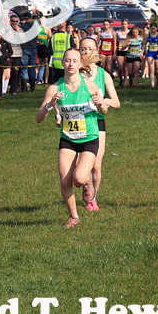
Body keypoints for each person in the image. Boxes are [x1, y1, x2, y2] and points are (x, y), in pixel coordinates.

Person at [36, 49, 108, 228]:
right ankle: (74, 216)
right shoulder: (55, 88)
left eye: (74, 61)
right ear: (62, 62)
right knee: (65, 180)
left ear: (80, 64)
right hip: (68, 139)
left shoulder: (90, 86)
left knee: (79, 178)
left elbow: (104, 111)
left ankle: (86, 181)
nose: (70, 64)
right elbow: (38, 118)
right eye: (67, 60)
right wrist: (50, 105)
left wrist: (101, 104)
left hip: (89, 138)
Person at [78, 38, 120, 212]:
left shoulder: (104, 75)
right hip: (78, 122)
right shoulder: (75, 73)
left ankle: (93, 198)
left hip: (97, 121)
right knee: (81, 165)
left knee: (96, 165)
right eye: (83, 49)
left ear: (97, 51)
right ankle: (86, 186)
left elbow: (116, 102)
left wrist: (104, 101)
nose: (86, 51)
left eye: (90, 48)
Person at [144, 23, 158, 88]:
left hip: (157, 54)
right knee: (151, 69)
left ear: (156, 28)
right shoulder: (148, 35)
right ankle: (152, 84)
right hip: (150, 53)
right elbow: (144, 44)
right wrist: (144, 52)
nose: (153, 30)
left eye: (154, 29)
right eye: (152, 29)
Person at [115, 19, 130, 87]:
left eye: (125, 24)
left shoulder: (130, 32)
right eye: (123, 24)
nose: (124, 25)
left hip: (127, 51)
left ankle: (125, 83)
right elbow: (115, 43)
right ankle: (121, 79)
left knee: (125, 68)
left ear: (128, 25)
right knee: (120, 67)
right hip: (120, 50)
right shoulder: (118, 32)